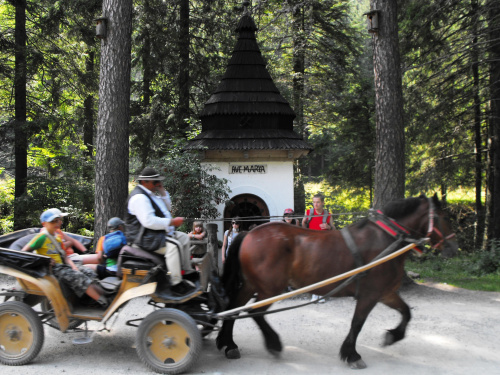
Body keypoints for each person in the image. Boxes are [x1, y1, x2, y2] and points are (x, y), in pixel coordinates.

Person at [125, 167, 197, 298]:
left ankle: (187, 272)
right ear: (145, 182)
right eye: (155, 182)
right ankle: (176, 283)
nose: (157, 184)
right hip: (144, 237)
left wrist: (162, 191)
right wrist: (171, 223)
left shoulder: (151, 195)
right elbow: (149, 222)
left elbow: (167, 208)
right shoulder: (139, 197)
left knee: (184, 238)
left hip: (155, 234)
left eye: (158, 181)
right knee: (173, 247)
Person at [21, 208, 108, 307]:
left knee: (88, 271)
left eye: (58, 220)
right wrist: (43, 260)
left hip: (63, 265)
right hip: (51, 269)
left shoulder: (57, 238)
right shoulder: (41, 237)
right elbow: (25, 252)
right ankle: (102, 301)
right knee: (77, 277)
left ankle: (90, 298)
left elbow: (65, 257)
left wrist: (74, 267)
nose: (57, 223)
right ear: (44, 224)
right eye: (53, 221)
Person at [302, 194, 335, 303]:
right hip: (311, 245)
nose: (315, 204)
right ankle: (314, 293)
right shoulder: (309, 213)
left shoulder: (328, 215)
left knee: (323, 270)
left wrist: (328, 227)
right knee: (313, 270)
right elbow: (303, 224)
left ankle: (321, 293)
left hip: (324, 246)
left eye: (318, 202)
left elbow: (334, 230)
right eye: (314, 202)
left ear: (323, 203)